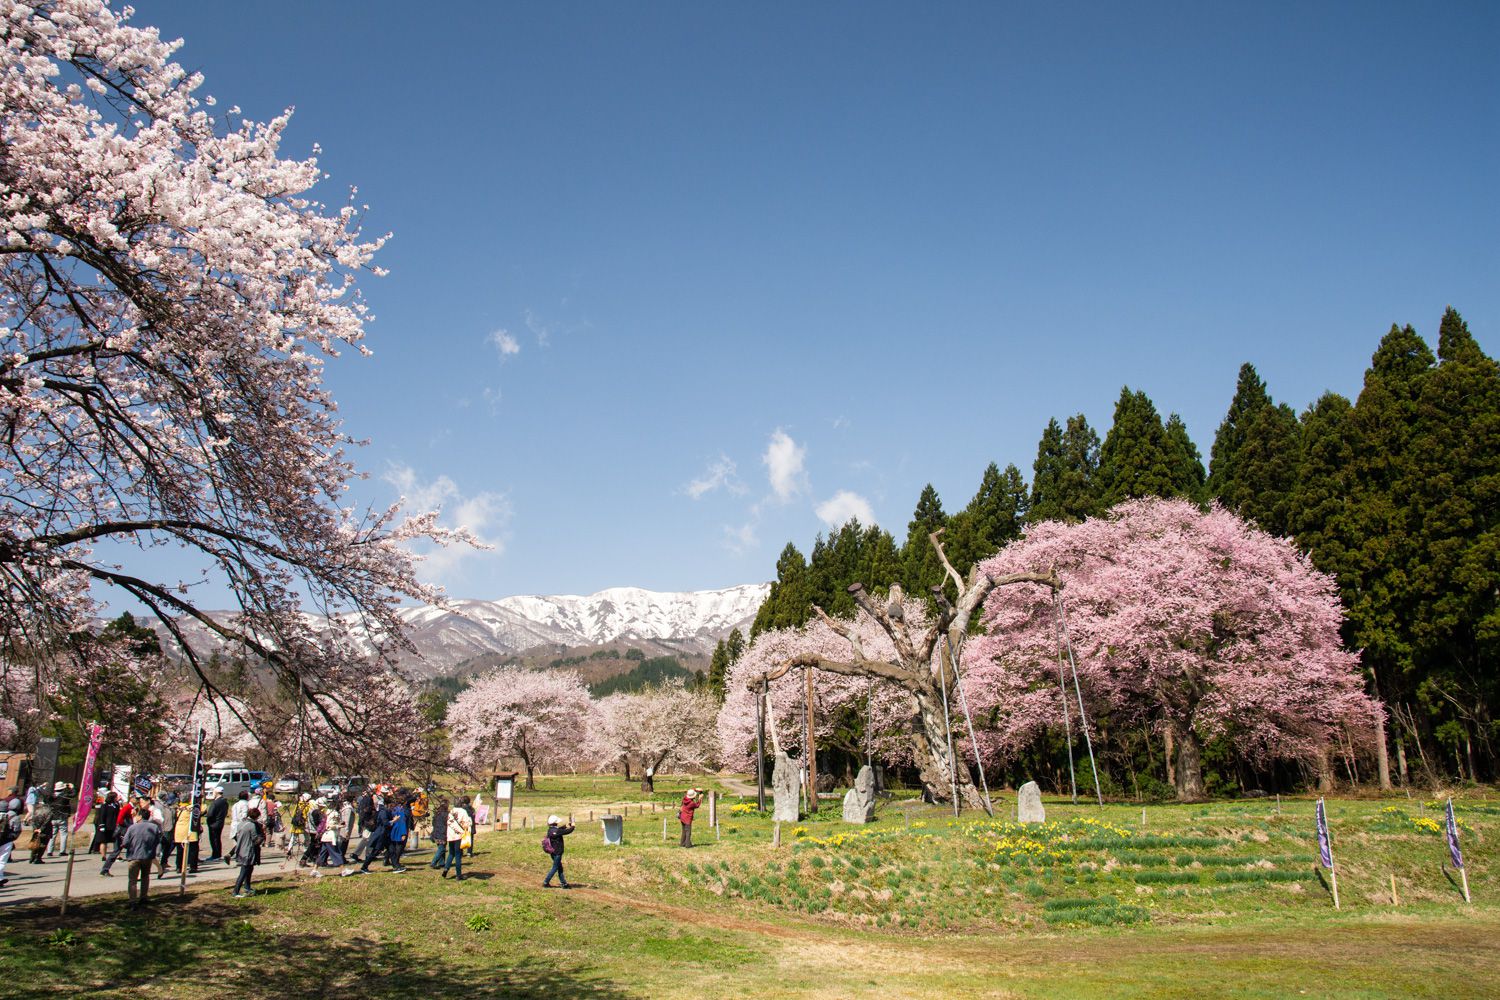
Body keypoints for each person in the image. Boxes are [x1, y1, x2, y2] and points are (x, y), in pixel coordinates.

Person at [119, 805, 163, 909]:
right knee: (145, 877)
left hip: (134, 856)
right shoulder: (154, 827)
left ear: (140, 817)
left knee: (133, 880)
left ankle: (132, 901)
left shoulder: (132, 827)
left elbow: (125, 843)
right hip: (147, 856)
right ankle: (143, 897)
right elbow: (158, 840)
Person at [232, 806, 264, 897]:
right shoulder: (252, 825)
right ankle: (236, 891)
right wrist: (261, 837)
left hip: (240, 850)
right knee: (244, 871)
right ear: (256, 816)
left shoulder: (241, 823)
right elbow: (255, 839)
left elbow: (236, 836)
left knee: (249, 869)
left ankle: (247, 887)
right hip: (248, 851)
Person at [99, 796, 134, 876]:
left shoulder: (130, 807)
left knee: (123, 851)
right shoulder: (127, 807)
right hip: (123, 832)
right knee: (118, 851)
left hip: (126, 832)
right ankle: (105, 869)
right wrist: (123, 828)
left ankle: (105, 869)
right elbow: (120, 819)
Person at [542, 814, 574, 889]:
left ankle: (564, 883)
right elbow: (567, 831)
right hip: (557, 852)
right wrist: (573, 826)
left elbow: (559, 830)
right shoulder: (556, 831)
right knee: (555, 867)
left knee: (559, 868)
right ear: (555, 823)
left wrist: (566, 825)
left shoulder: (551, 830)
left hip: (553, 852)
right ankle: (546, 882)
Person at [443, 799, 471, 881]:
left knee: (451, 853)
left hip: (451, 836)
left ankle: (446, 869)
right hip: (459, 835)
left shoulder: (451, 811)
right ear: (461, 804)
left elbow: (449, 822)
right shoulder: (463, 811)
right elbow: (467, 823)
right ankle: (458, 875)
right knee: (458, 855)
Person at [91, 790, 120, 860]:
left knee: (116, 841)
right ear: (112, 797)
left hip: (113, 826)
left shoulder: (116, 805)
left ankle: (116, 855)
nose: (117, 798)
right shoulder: (105, 805)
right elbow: (102, 816)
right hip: (106, 825)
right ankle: (103, 856)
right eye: (116, 797)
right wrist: (101, 825)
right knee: (104, 841)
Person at [0, 797, 22, 887]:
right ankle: (0, 878)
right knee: (1, 861)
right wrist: (12, 838)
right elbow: (17, 831)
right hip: (6, 841)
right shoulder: (14, 817)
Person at [385, 795, 409, 872]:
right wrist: (403, 833)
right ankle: (396, 862)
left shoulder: (393, 809)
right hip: (399, 829)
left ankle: (387, 859)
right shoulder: (401, 810)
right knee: (399, 847)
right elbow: (402, 822)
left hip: (393, 828)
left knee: (392, 846)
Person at [204, 786, 228, 862]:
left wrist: (207, 817)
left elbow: (210, 814)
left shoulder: (215, 803)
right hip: (220, 822)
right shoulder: (225, 802)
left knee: (214, 839)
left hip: (213, 823)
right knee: (217, 839)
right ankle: (218, 854)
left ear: (216, 792)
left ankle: (215, 855)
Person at [27, 797, 53, 864]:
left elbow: (33, 820)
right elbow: (47, 821)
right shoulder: (49, 810)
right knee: (43, 844)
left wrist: (36, 828)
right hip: (45, 830)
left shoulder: (37, 809)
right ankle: (38, 858)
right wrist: (41, 829)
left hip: (36, 829)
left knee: (35, 842)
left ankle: (32, 857)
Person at [429, 797, 449, 871]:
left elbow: (433, 823)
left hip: (436, 833)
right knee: (441, 849)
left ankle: (441, 863)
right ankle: (433, 862)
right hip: (442, 833)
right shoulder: (446, 814)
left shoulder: (437, 813)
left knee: (441, 847)